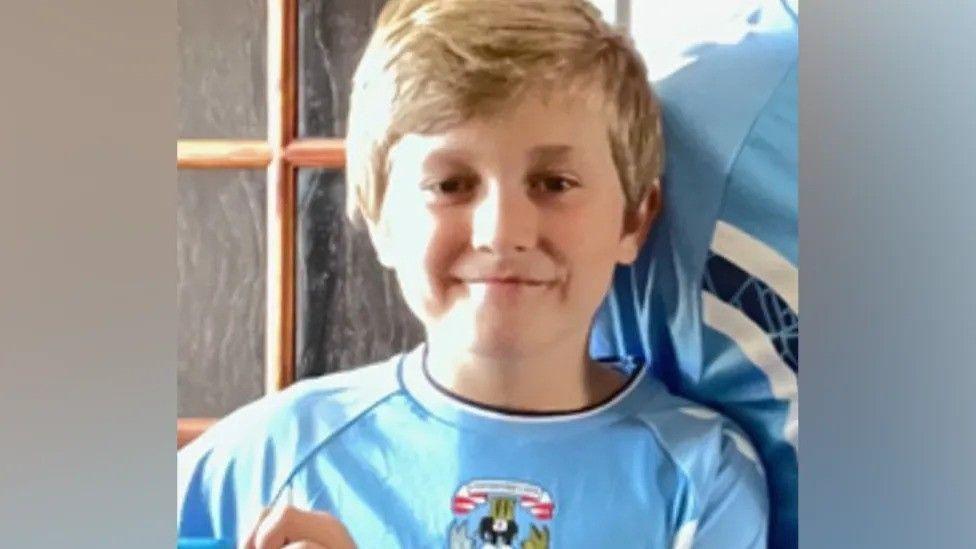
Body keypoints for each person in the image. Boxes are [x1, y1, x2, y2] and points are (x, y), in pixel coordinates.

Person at [177, 1, 768, 547]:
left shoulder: (700, 476)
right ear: (378, 216)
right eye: (450, 185)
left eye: (554, 184)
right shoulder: (260, 462)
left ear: (634, 219)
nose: (501, 231)